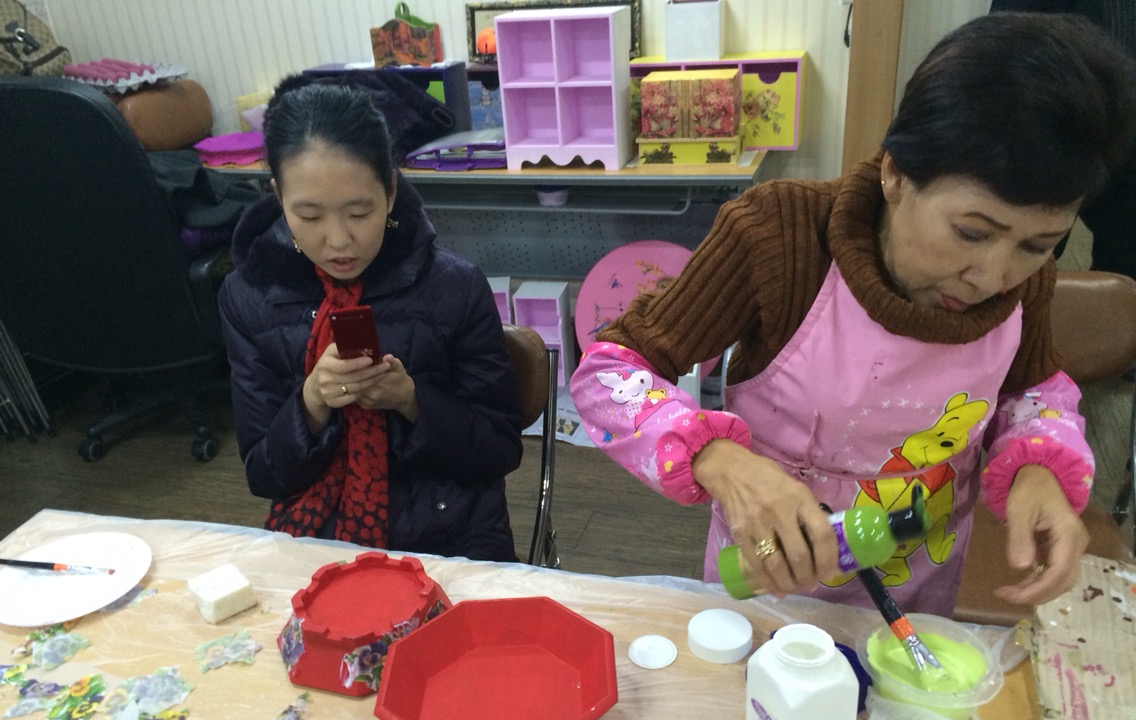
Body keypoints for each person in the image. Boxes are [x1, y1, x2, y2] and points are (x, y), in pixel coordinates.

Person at [570, 13, 1136, 617]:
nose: (993, 277)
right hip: (767, 576)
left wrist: (1038, 463)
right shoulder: (778, 235)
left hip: (915, 590)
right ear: (895, 174)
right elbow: (608, 374)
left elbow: (1030, 389)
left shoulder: (1022, 281)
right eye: (972, 232)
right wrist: (719, 461)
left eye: (1039, 244)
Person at [218, 75, 523, 562]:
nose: (339, 241)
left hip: (448, 533)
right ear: (277, 196)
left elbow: (500, 449)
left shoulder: (454, 287)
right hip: (320, 535)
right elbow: (264, 474)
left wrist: (412, 402)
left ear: (391, 190)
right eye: (310, 217)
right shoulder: (249, 297)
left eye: (360, 213)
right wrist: (311, 403)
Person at [989, 0, 1136, 281]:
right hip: (1040, 111)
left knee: (1125, 269)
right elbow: (1004, 40)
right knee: (1011, 255)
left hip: (1127, 130)